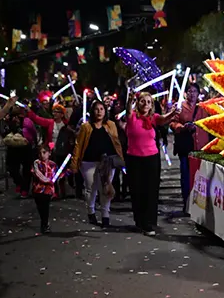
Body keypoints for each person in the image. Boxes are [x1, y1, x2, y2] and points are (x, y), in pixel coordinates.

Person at [123, 92, 179, 236]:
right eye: (143, 101)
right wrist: (129, 101)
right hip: (134, 158)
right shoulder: (132, 117)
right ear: (138, 103)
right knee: (137, 190)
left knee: (151, 190)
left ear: (152, 105)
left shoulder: (153, 118)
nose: (146, 104)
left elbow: (164, 119)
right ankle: (139, 220)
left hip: (151, 158)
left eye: (148, 102)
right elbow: (128, 110)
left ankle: (149, 222)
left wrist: (173, 113)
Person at [70, 100, 124, 228]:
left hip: (107, 162)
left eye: (101, 109)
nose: (99, 112)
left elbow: (116, 142)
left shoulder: (111, 125)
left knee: (105, 188)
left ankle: (105, 216)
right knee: (91, 188)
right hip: (88, 162)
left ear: (105, 111)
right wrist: (74, 163)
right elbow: (79, 145)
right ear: (92, 111)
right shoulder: (86, 127)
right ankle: (91, 211)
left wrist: (121, 158)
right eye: (96, 109)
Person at [170, 83, 208, 216]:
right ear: (186, 93)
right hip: (185, 147)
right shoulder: (180, 107)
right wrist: (182, 127)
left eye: (194, 91)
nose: (192, 94)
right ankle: (186, 203)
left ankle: (199, 204)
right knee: (186, 175)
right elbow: (172, 123)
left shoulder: (203, 108)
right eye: (190, 91)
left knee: (200, 176)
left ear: (198, 94)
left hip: (200, 147)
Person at [31, 144, 57, 234]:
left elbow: (56, 175)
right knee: (40, 208)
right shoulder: (36, 163)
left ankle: (44, 225)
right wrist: (49, 181)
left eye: (44, 152)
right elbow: (38, 174)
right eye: (40, 153)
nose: (42, 155)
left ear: (49, 153)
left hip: (47, 190)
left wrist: (66, 173)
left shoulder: (53, 164)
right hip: (38, 190)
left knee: (45, 208)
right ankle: (44, 224)